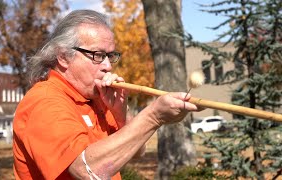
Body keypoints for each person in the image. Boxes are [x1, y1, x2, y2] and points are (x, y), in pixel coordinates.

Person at [13, 9, 201, 180]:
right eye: (97, 55)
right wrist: (153, 116)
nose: (108, 66)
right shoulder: (45, 101)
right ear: (63, 57)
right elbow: (86, 169)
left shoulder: (94, 98)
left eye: (110, 56)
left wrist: (121, 114)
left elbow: (138, 151)